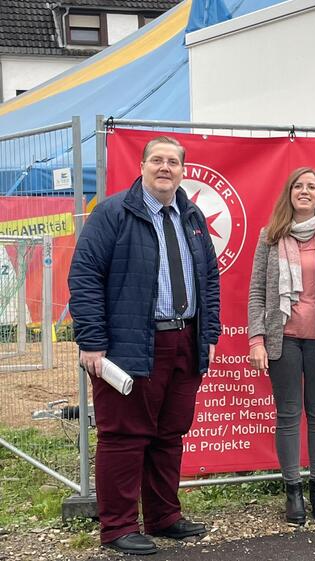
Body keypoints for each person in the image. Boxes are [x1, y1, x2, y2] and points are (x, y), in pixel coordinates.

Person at [69, 136, 220, 555]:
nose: (165, 168)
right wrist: (93, 342)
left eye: (173, 162)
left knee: (170, 434)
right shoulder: (113, 213)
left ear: (183, 171)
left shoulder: (191, 217)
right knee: (124, 436)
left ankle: (164, 516)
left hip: (184, 340)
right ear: (142, 165)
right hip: (130, 344)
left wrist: (206, 336)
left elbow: (208, 280)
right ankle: (117, 527)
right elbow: (84, 278)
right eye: (157, 160)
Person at [247, 167, 315, 525]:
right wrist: (257, 340)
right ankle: (292, 490)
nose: (305, 191)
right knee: (289, 415)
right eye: (299, 186)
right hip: (284, 340)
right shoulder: (270, 236)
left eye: (312, 186)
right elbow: (257, 293)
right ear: (289, 193)